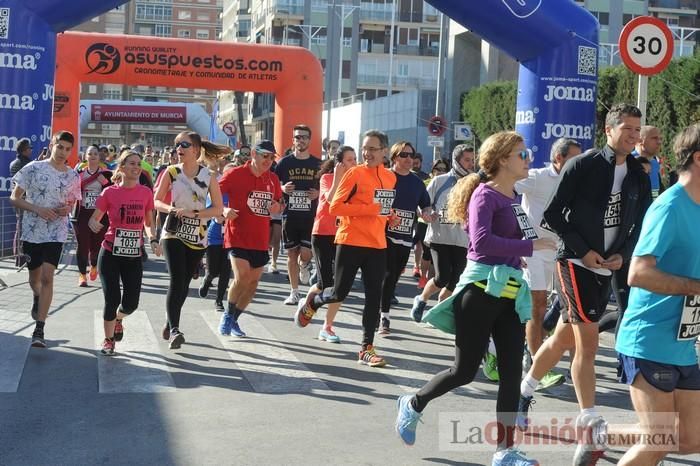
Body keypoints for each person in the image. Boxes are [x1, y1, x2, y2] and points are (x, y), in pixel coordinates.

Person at [395, 131, 554, 466]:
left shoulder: (512, 198)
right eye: (522, 155)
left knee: (511, 374)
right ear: (502, 160)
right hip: (479, 292)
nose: (528, 160)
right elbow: (481, 246)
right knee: (464, 371)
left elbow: (511, 240)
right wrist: (529, 247)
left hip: (509, 292)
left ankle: (504, 452)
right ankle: (413, 402)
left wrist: (526, 251)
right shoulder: (485, 195)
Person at [515, 104, 652, 465]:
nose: (634, 135)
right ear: (609, 130)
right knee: (586, 342)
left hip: (609, 266)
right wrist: (585, 251)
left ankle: (523, 391)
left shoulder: (638, 174)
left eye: (638, 129)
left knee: (563, 337)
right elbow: (554, 214)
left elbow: (639, 224)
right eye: (627, 128)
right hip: (574, 262)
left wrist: (622, 253)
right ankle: (589, 421)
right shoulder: (584, 165)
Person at [613, 124, 700, 466]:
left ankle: (599, 436)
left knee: (692, 439)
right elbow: (637, 273)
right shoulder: (669, 207)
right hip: (648, 339)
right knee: (658, 441)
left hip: (681, 342)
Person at [295, 129, 397, 367]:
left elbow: (381, 207)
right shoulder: (354, 174)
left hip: (377, 244)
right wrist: (371, 209)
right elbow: (335, 207)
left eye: (372, 149)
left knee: (374, 297)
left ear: (384, 151)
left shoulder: (390, 178)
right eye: (364, 148)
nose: (366, 153)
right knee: (339, 292)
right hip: (350, 241)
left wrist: (389, 216)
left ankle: (366, 349)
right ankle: (314, 302)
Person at [514, 137, 582, 387]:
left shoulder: (578, 180)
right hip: (536, 252)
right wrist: (521, 236)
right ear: (558, 158)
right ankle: (534, 362)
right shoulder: (537, 177)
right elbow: (507, 191)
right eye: (574, 157)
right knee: (538, 305)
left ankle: (577, 365)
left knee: (571, 309)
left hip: (565, 251)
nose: (579, 162)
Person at [10, 131, 82, 348]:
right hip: (32, 231)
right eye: (59, 147)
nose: (63, 152)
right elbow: (15, 198)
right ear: (52, 145)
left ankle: (39, 328)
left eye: (67, 149)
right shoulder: (33, 169)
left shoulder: (72, 176)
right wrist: (37, 209)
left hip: (56, 232)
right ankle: (36, 297)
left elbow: (72, 203)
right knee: (35, 280)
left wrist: (65, 209)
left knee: (48, 277)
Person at [154, 132, 225, 349]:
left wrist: (194, 214)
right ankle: (175, 329)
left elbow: (218, 209)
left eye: (183, 144)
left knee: (184, 283)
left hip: (197, 234)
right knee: (176, 279)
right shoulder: (172, 172)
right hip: (173, 232)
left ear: (195, 149)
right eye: (177, 145)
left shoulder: (209, 176)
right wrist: (172, 210)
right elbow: (156, 201)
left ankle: (170, 320)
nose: (179, 149)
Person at [89, 151, 161, 355]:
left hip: (133, 255)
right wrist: (93, 223)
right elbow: (95, 218)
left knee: (131, 304)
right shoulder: (109, 193)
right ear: (121, 167)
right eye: (131, 163)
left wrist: (153, 239)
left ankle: (119, 319)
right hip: (110, 252)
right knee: (112, 299)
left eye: (138, 164)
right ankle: (108, 340)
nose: (136, 167)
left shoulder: (146, 193)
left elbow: (148, 222)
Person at [218, 140, 284, 337]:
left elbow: (280, 204)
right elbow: (213, 194)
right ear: (254, 154)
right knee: (242, 277)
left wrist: (277, 207)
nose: (269, 160)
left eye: (272, 158)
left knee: (253, 284)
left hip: (260, 238)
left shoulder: (272, 179)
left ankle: (235, 319)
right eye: (265, 156)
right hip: (237, 234)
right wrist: (224, 209)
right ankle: (228, 314)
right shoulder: (235, 174)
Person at [410, 145, 473, 321]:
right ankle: (421, 299)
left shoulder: (474, 184)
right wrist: (427, 214)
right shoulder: (439, 181)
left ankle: (438, 310)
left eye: (472, 160)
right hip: (439, 237)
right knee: (442, 276)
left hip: (462, 240)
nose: (470, 163)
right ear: (456, 160)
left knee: (456, 279)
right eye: (467, 159)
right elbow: (422, 204)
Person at [302, 146, 358, 342]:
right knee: (324, 283)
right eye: (349, 159)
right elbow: (331, 200)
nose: (354, 163)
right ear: (339, 163)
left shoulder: (357, 181)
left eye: (355, 159)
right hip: (323, 234)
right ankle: (308, 305)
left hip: (344, 235)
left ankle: (327, 327)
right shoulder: (326, 179)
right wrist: (337, 177)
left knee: (338, 286)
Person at [379, 141, 432, 335]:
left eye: (411, 155)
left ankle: (381, 309)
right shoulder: (385, 177)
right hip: (381, 235)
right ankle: (383, 316)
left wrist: (426, 213)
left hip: (404, 236)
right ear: (394, 157)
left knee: (393, 276)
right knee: (384, 275)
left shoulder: (417, 182)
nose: (409, 159)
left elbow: (425, 204)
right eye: (404, 155)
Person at [274, 124, 322, 305]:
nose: (300, 140)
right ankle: (294, 292)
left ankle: (305, 265)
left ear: (309, 140)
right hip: (290, 215)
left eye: (303, 137)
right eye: (297, 137)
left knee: (305, 252)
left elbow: (326, 188)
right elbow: (272, 184)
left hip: (310, 216)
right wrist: (282, 188)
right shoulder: (284, 163)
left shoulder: (317, 164)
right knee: (291, 254)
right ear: (293, 140)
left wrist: (318, 194)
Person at [73, 144, 113, 286]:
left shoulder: (106, 173)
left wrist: (105, 184)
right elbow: (73, 192)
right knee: (82, 244)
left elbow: (111, 193)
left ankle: (94, 266)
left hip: (99, 214)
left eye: (95, 153)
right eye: (90, 153)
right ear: (85, 157)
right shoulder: (79, 174)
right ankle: (82, 274)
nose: (93, 156)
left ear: (99, 157)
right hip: (83, 213)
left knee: (97, 244)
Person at [199, 163, 236, 312]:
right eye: (229, 174)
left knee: (226, 271)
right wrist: (218, 215)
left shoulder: (240, 193)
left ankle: (219, 300)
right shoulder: (216, 191)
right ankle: (207, 281)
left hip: (231, 238)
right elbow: (209, 210)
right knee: (213, 271)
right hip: (215, 237)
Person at [414, 159, 450, 288]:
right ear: (433, 170)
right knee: (427, 252)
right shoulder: (427, 183)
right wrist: (422, 212)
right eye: (437, 169)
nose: (440, 172)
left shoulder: (451, 184)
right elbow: (419, 200)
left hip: (441, 224)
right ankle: (423, 277)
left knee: (436, 255)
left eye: (443, 169)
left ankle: (433, 280)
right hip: (424, 222)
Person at [10, 138, 33, 268]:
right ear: (24, 150)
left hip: (21, 200)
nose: (31, 150)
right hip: (22, 200)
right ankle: (20, 258)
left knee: (21, 228)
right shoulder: (23, 164)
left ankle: (20, 257)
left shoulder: (15, 163)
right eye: (30, 148)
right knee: (21, 229)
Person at [634, 125, 664, 199]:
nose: (659, 142)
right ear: (639, 140)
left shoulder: (655, 163)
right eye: (654, 138)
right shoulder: (629, 162)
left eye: (660, 139)